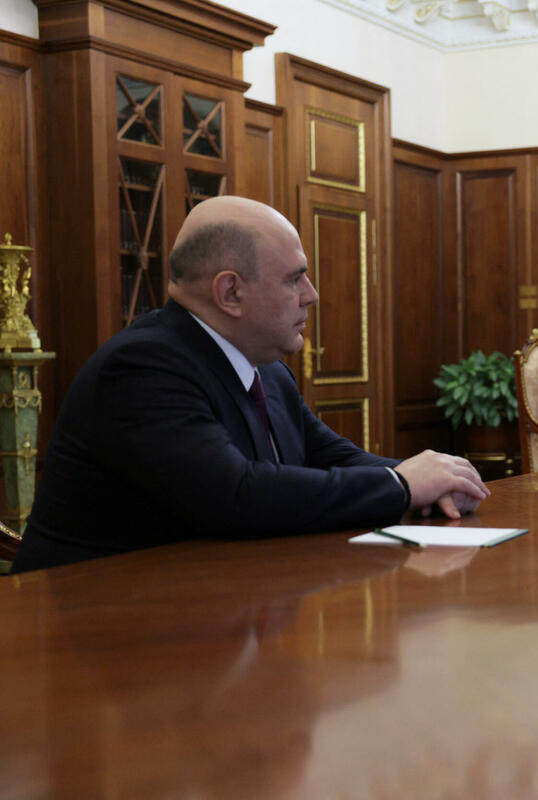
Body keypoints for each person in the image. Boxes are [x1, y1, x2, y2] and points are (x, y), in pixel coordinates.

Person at [12, 196, 488, 572]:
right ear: (231, 292)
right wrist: (400, 485)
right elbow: (235, 495)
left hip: (218, 608)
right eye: (295, 279)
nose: (312, 295)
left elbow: (330, 456)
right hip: (100, 628)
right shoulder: (144, 367)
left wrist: (433, 479)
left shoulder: (266, 368)